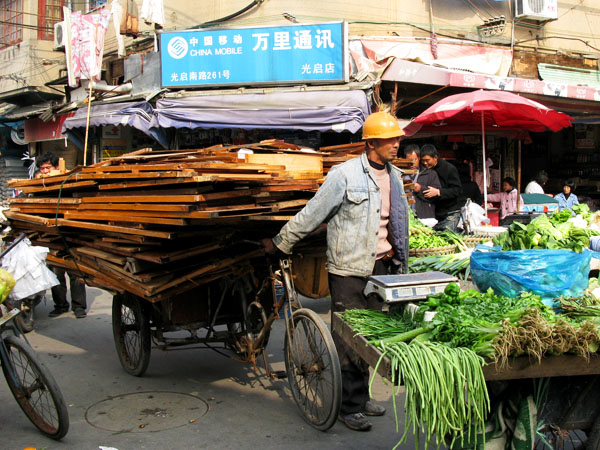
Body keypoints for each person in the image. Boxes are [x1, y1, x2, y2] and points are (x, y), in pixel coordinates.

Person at [262, 111, 409, 432]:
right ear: (372, 142)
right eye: (391, 139)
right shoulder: (344, 175)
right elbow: (313, 213)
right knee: (349, 340)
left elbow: (398, 223)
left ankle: (360, 396)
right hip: (348, 270)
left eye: (398, 138)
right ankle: (348, 406)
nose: (397, 144)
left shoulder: (395, 176)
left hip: (382, 267)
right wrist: (281, 242)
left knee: (371, 338)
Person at [35, 153, 88, 319]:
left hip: (71, 234)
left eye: (48, 168)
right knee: (55, 272)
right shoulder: (39, 185)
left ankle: (79, 307)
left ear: (57, 167)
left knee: (74, 272)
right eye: (42, 168)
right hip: (51, 236)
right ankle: (60, 305)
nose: (45, 171)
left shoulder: (68, 181)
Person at [420, 144, 464, 232]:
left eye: (427, 160)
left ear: (435, 157)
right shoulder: (425, 170)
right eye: (423, 161)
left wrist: (438, 192)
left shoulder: (449, 169)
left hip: (450, 213)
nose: (425, 163)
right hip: (435, 214)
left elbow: (458, 190)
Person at [404, 145, 441, 219]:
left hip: (425, 217)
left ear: (419, 158)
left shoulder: (430, 174)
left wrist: (420, 189)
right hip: (406, 216)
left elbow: (437, 198)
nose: (411, 163)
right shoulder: (400, 174)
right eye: (408, 160)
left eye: (414, 160)